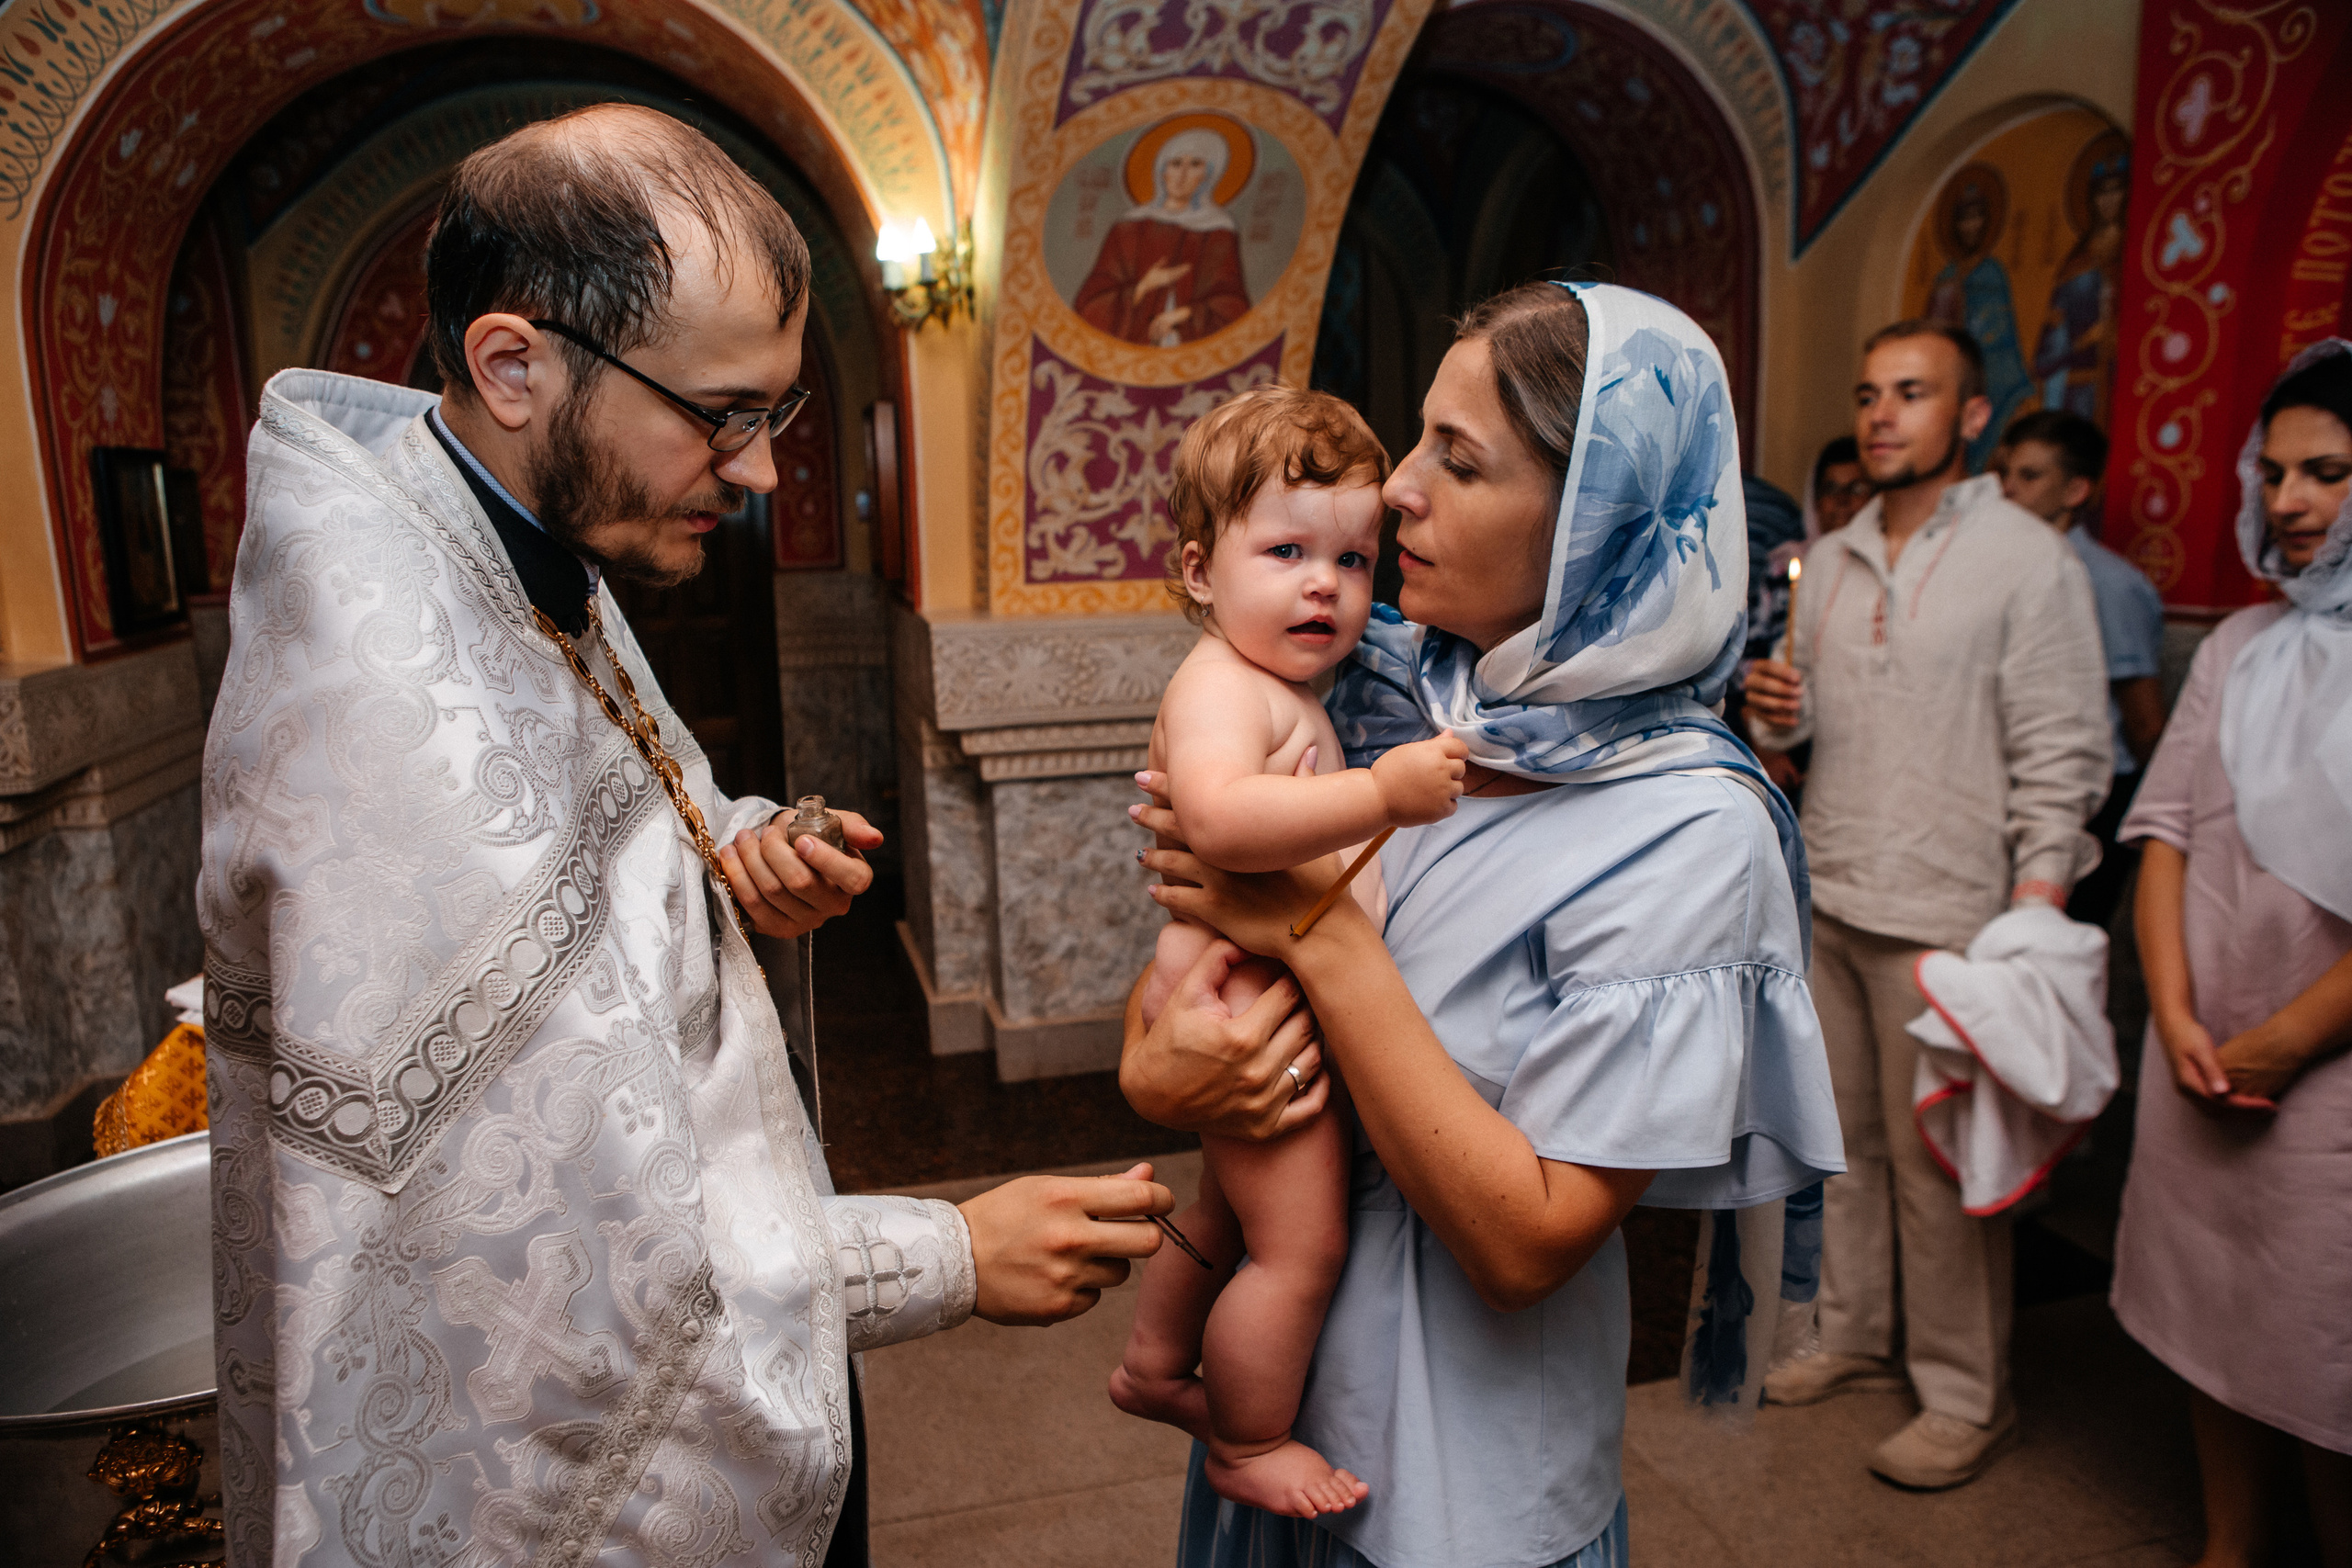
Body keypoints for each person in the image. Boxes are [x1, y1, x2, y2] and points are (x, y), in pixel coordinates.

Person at [198, 105, 1172, 1568]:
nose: (766, 468)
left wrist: (740, 844)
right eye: (722, 413)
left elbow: (611, 809)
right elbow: (578, 1275)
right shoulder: (386, 698)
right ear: (512, 365)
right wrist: (951, 1252)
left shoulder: (497, 537)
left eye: (774, 412)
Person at [1121, 280, 1844, 1568]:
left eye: (1458, 460)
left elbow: (1528, 1241)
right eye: (1418, 440)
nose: (1396, 490)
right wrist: (1164, 1063)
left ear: (1594, 523)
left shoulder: (1685, 823)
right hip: (1278, 1392)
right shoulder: (1399, 687)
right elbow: (1194, 989)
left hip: (1459, 1466)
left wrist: (1314, 929)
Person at [1746, 320, 2109, 1489]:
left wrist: (2035, 910)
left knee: (1938, 1163)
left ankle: (1966, 1395)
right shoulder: (1836, 551)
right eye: (1868, 394)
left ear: (1968, 416)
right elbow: (1800, 738)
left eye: (1912, 393)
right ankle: (1853, 1336)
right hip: (1835, 887)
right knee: (1843, 1148)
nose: (1881, 415)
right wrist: (1773, 716)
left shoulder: (2025, 555)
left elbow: (2063, 746)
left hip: (1954, 911)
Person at [1110, 386, 1466, 1517]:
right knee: (1300, 1248)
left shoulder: (1272, 683)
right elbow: (1215, 823)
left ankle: (1156, 1366)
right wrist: (1381, 792)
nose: (1326, 583)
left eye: (1355, 561)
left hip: (1250, 987)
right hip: (1247, 998)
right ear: (1201, 570)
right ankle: (1250, 1443)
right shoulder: (1222, 685)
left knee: (1225, 1215)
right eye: (1285, 550)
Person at [2110, 342, 2352, 1568]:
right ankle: (2228, 1541)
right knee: (2210, 1317)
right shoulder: (2238, 645)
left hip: (2324, 1075)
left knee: (2320, 1341)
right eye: (2277, 471)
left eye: (2329, 471)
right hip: (2199, 1043)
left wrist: (2281, 1041)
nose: (2291, 499)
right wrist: (2177, 1014)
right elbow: (2166, 836)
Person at [1996, 408, 2165, 931]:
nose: (2008, 490)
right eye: (2003, 474)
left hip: (2093, 794)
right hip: (2012, 782)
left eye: (2030, 476)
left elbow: (2142, 718)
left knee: (2060, 942)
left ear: (2075, 491)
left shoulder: (2110, 583)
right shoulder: (1997, 565)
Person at [1073, 129, 1251, 346]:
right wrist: (1143, 287)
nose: (1182, 174)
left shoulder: (1218, 230)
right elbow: (1091, 302)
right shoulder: (1129, 227)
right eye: (1175, 163)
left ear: (1207, 175)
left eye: (1195, 164)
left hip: (1192, 349)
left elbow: (1233, 304)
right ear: (1162, 170)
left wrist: (1184, 315)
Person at [1923, 175, 2034, 473]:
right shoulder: (1944, 279)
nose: (1970, 226)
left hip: (1994, 386)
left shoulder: (1993, 274)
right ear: (1954, 226)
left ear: (1986, 222)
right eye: (1964, 219)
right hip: (1951, 389)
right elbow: (1929, 344)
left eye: (1977, 218)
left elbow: (2005, 336)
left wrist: (2016, 393)